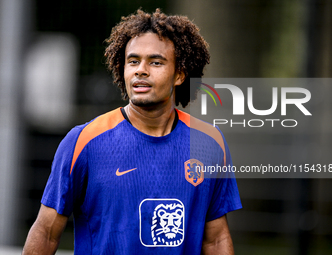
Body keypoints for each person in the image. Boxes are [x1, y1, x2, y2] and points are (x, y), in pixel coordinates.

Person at [22, 8, 242, 255]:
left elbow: (215, 239)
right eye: (133, 61)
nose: (141, 70)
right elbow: (46, 232)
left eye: (155, 62)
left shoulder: (209, 143)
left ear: (180, 74)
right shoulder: (83, 141)